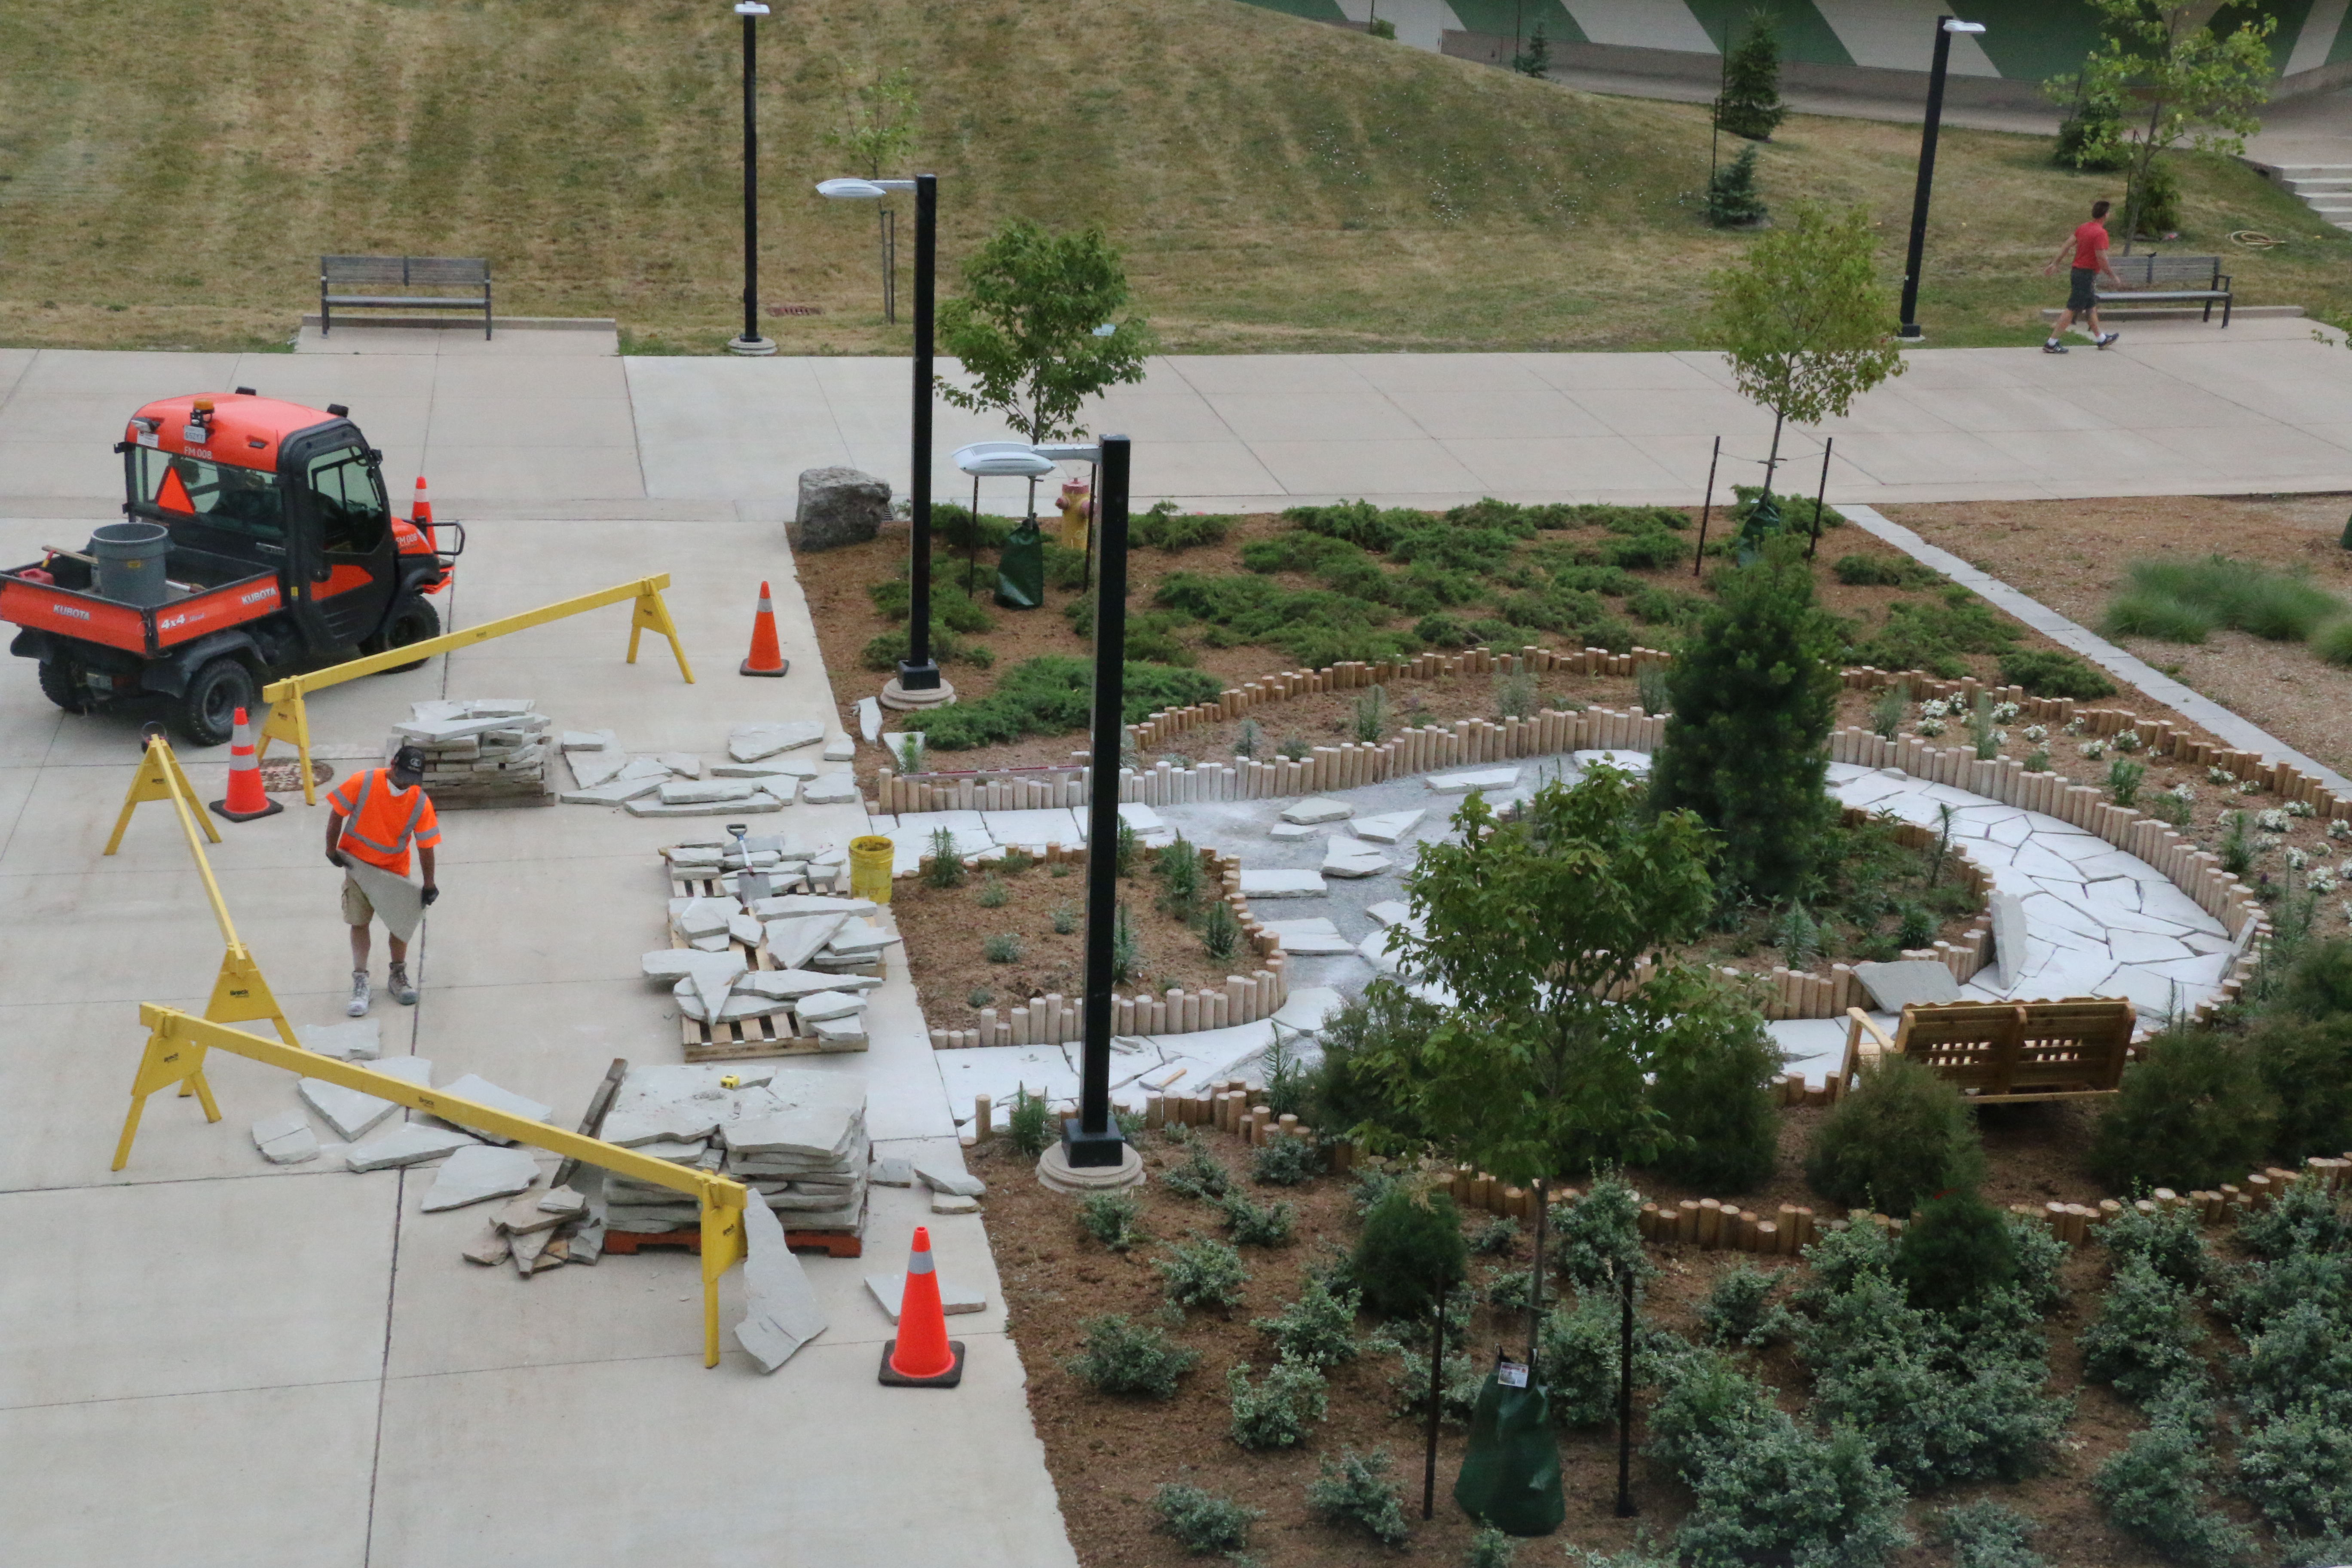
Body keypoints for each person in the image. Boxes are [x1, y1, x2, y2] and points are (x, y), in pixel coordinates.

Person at [325, 744, 441, 1016]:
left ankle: (397, 976)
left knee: (400, 925)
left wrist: (429, 884)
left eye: (412, 780)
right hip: (359, 869)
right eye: (402, 777)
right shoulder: (363, 782)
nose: (405, 784)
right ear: (392, 765)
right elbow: (336, 815)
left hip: (395, 871)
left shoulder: (420, 801)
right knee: (359, 921)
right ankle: (360, 980)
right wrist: (331, 850)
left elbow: (426, 846)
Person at [2041, 199, 2122, 354]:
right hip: (2086, 275)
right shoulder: (2100, 233)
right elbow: (2102, 258)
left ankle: (2101, 339)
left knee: (2091, 306)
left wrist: (2055, 263)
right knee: (2072, 308)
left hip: (2077, 273)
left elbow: (2067, 245)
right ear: (2106, 215)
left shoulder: (2083, 228)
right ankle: (2052, 343)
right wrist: (2112, 276)